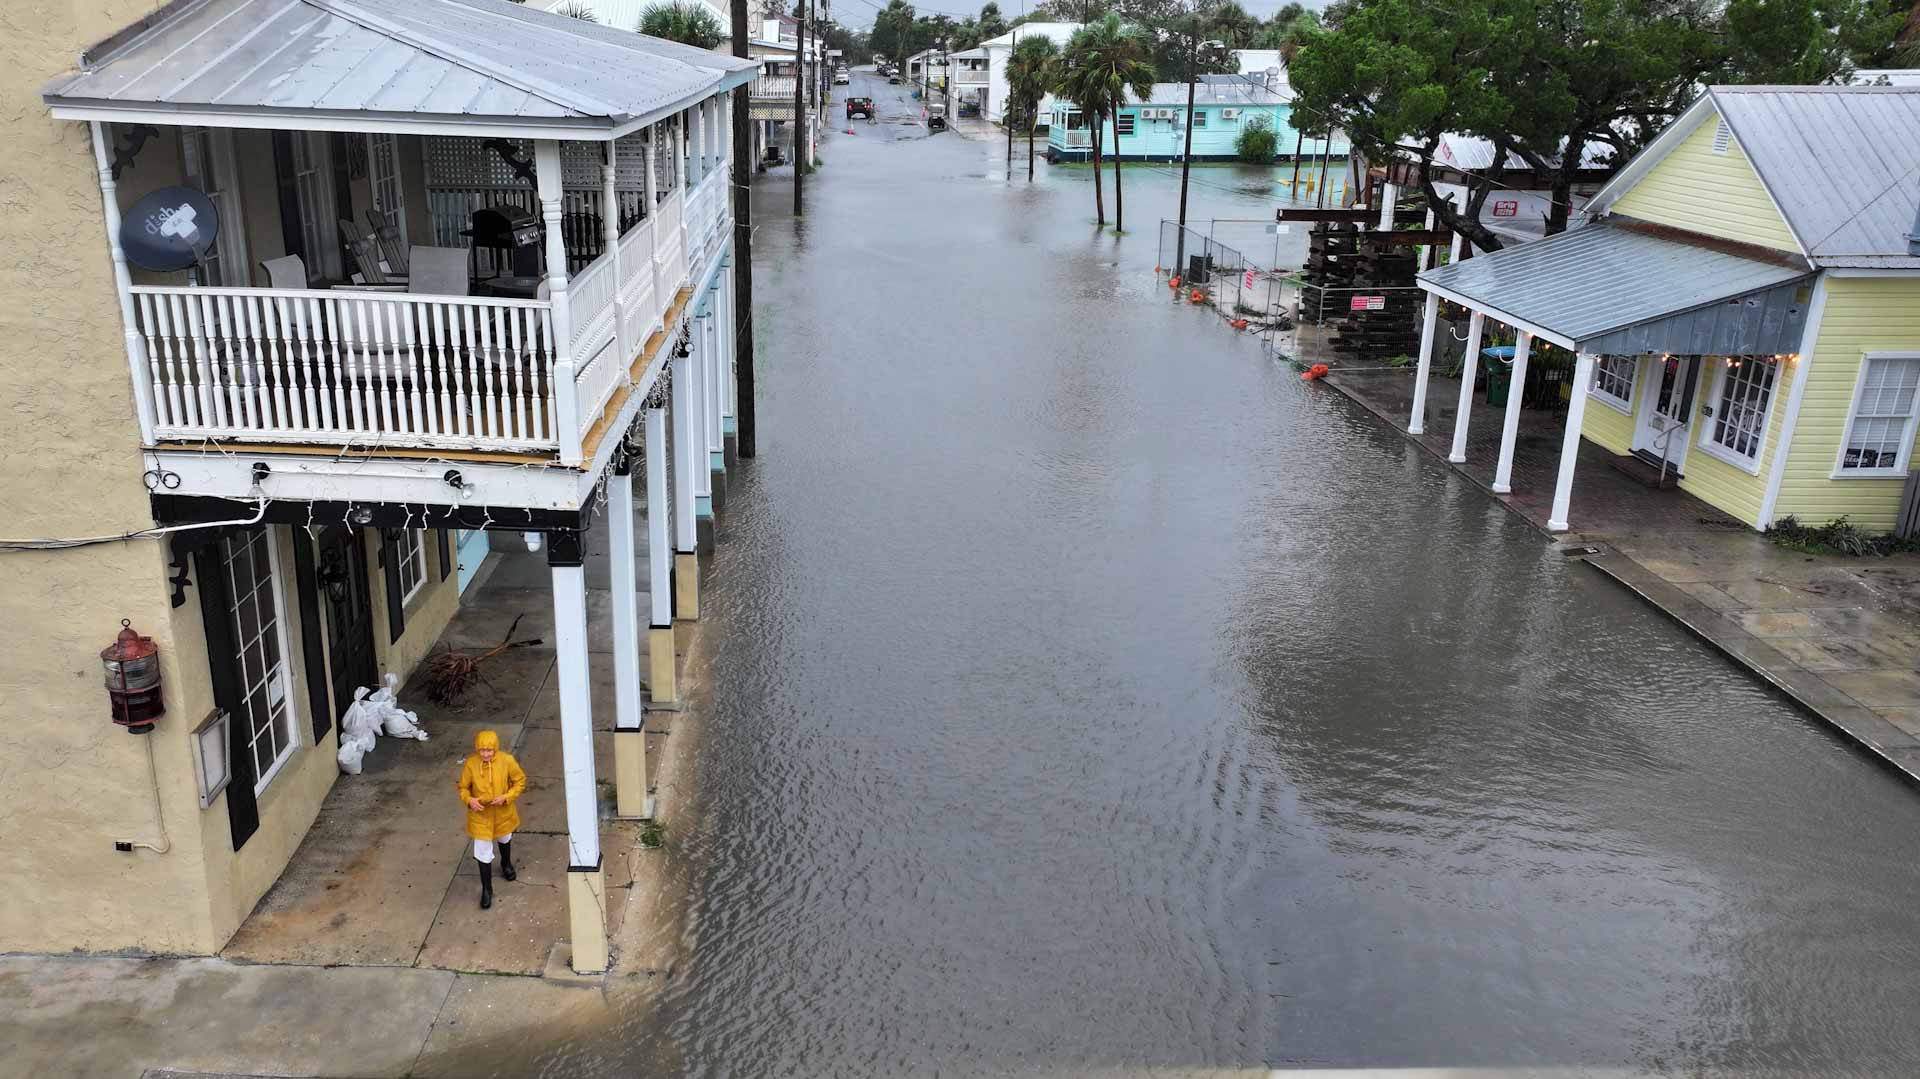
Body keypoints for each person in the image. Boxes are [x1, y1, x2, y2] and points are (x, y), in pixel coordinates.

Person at [457, 729, 527, 910]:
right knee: (482, 851)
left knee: (505, 838)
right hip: (481, 815)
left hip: (503, 811)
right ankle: (487, 889)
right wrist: (470, 800)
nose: (485, 754)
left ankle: (506, 863)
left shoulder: (507, 761)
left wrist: (507, 796)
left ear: (495, 749)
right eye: (482, 750)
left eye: (489, 750)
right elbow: (463, 787)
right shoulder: (471, 764)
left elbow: (519, 781)